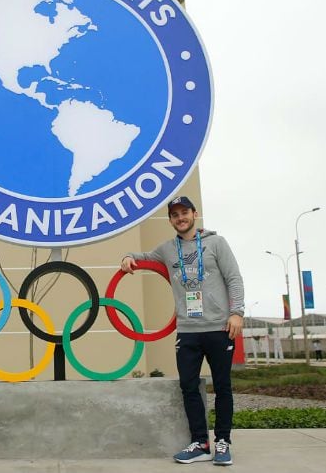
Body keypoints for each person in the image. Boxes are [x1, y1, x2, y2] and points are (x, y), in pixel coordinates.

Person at [121, 196, 244, 466]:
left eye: (184, 212)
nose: (181, 218)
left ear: (194, 214)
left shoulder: (216, 243)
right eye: (175, 215)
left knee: (222, 387)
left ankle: (223, 442)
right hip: (187, 330)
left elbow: (234, 278)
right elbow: (142, 258)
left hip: (220, 328)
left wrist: (237, 313)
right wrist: (128, 257)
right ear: (171, 220)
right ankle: (200, 443)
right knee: (188, 386)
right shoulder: (167, 249)